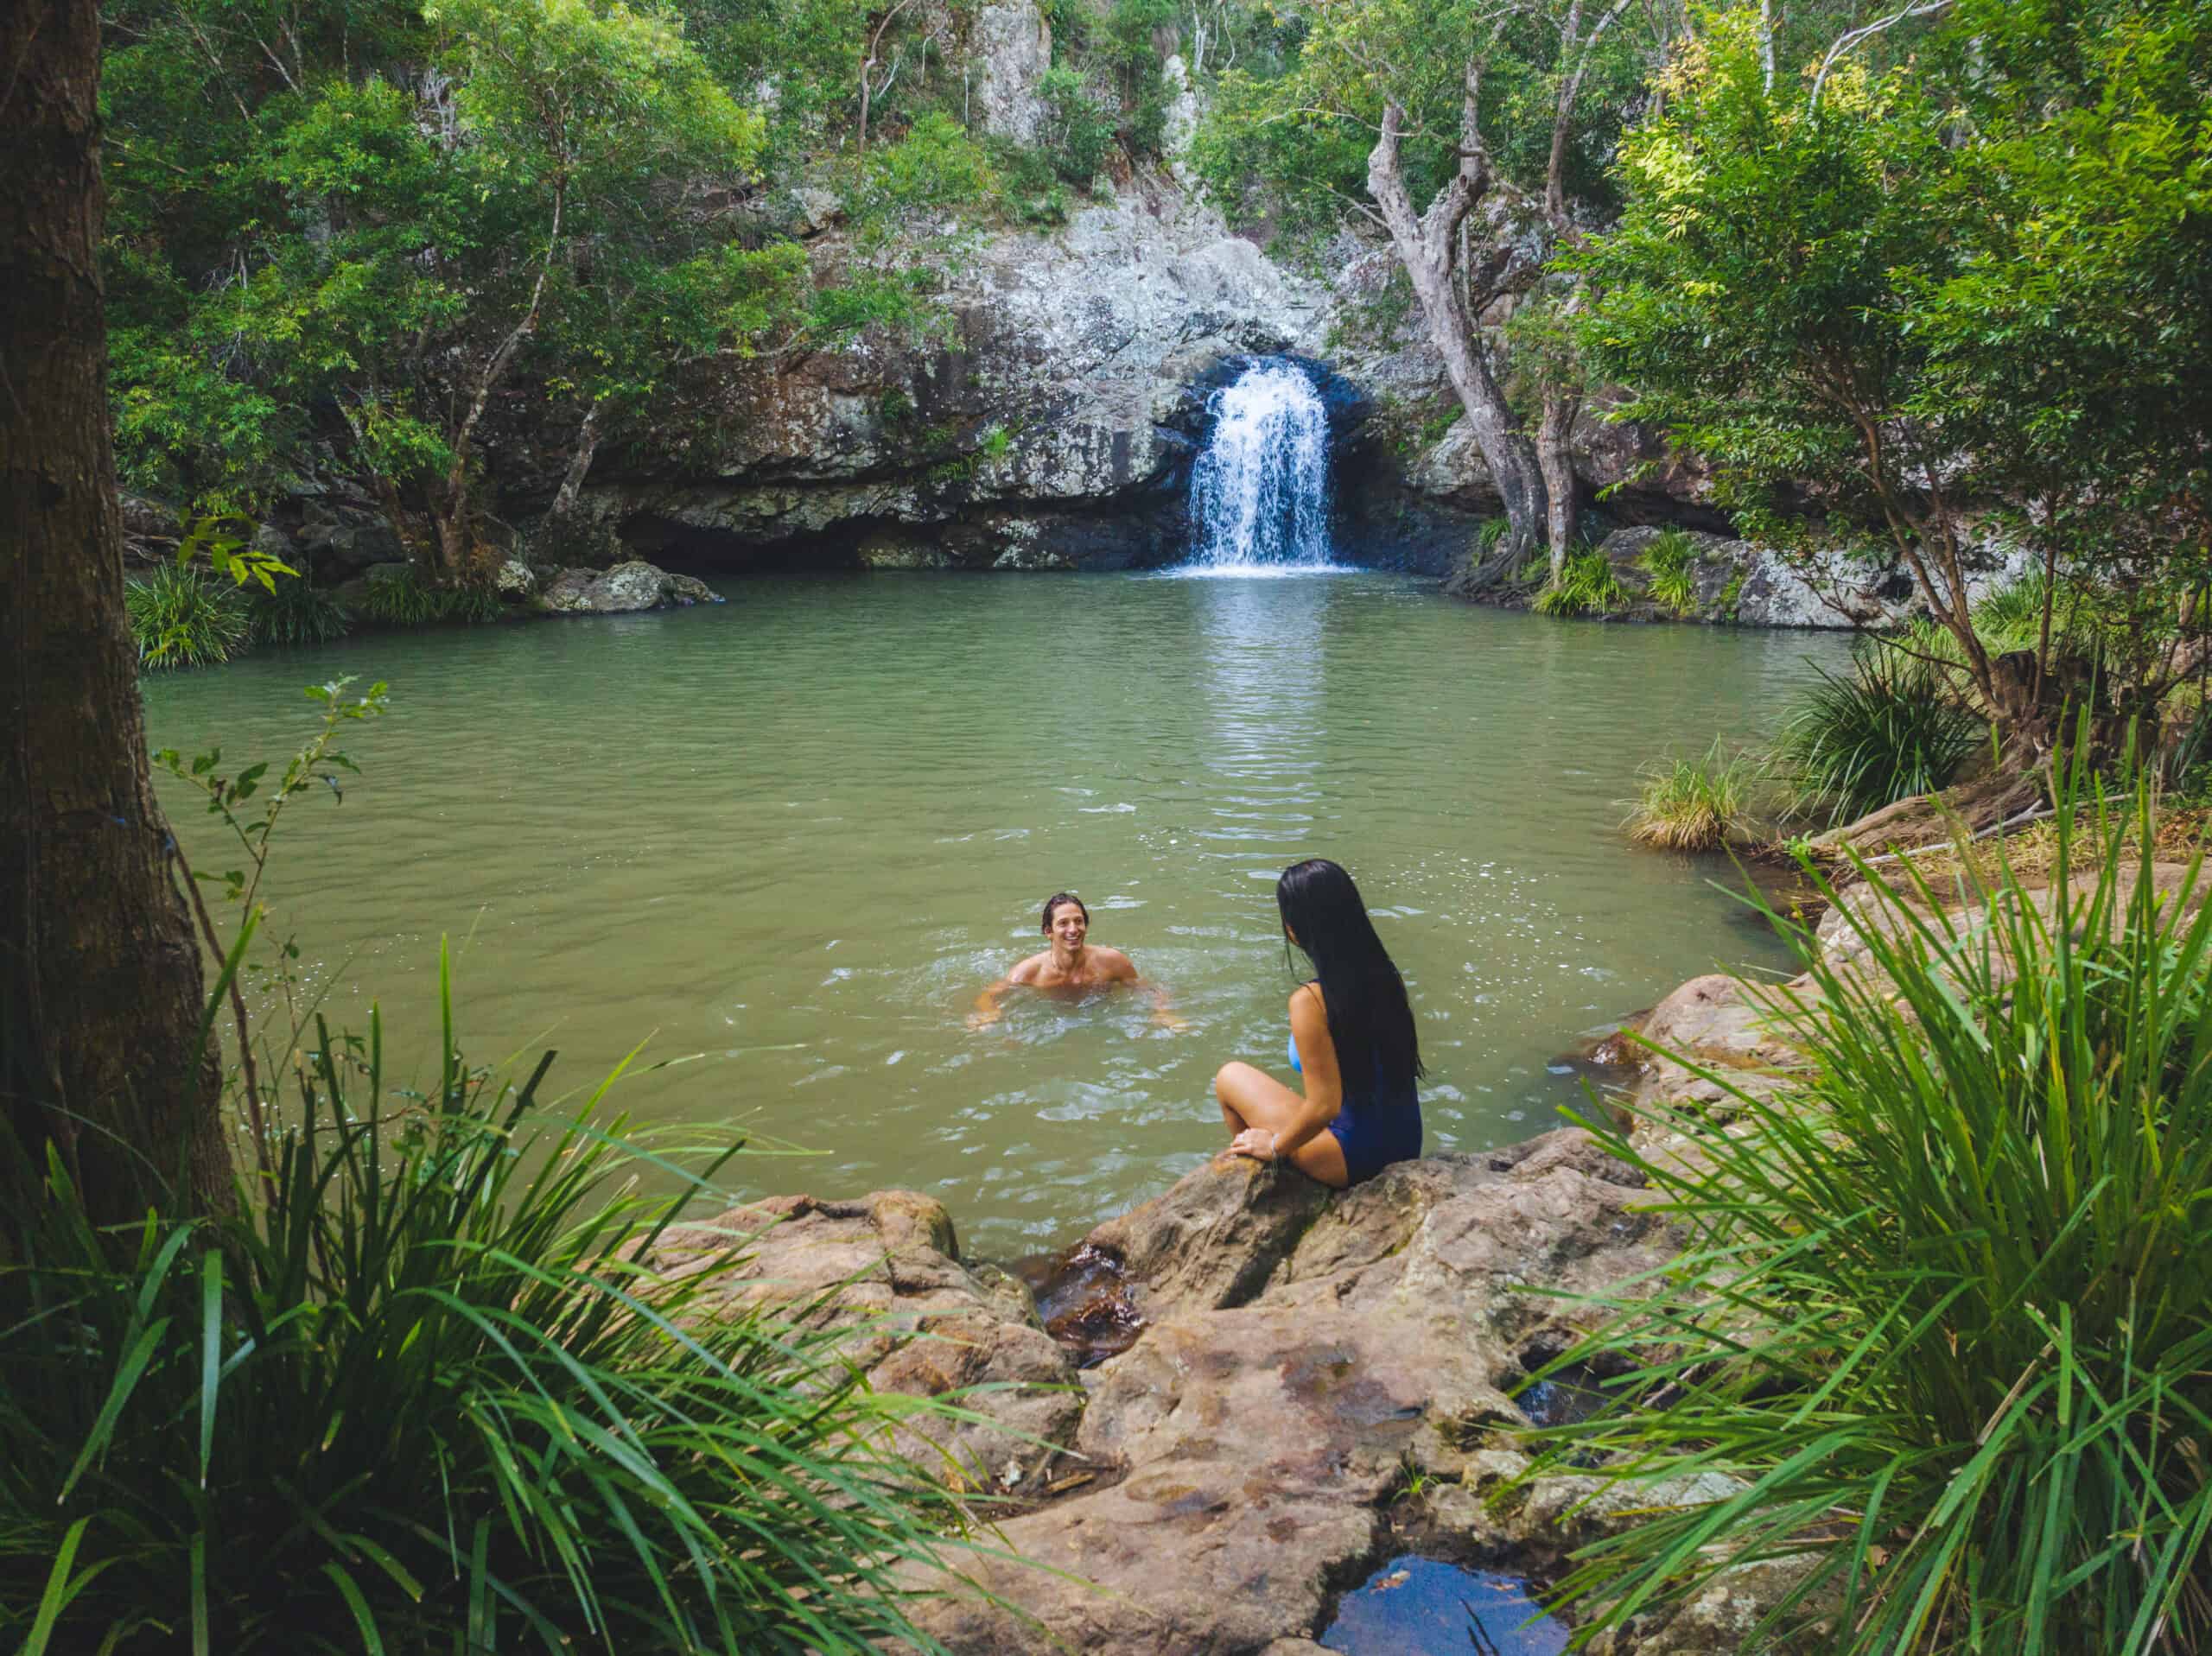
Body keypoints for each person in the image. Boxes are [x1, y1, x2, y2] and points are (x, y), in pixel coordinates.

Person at [1214, 858, 1422, 1187]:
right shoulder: (1387, 976)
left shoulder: (1310, 1001)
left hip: (1350, 1159)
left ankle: (1261, 1181)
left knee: (1229, 1077)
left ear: (1294, 929)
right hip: (1406, 1144)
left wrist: (1274, 1145)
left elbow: (1325, 1106)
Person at [969, 891, 1183, 1030]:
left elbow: (1149, 989)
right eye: (1063, 923)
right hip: (1051, 1021)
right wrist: (989, 1013)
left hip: (1103, 1020)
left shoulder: (1112, 962)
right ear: (1048, 931)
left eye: (1079, 922)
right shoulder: (1028, 973)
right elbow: (988, 996)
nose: (1073, 929)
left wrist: (1164, 1013)